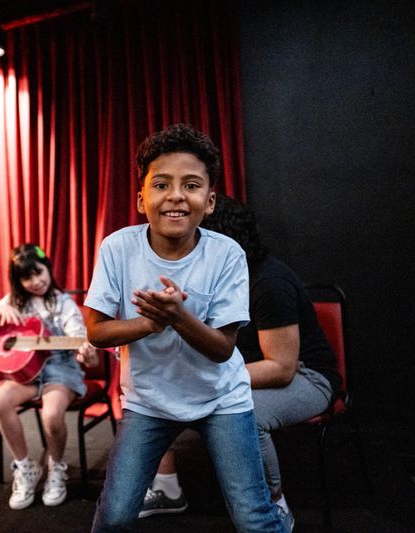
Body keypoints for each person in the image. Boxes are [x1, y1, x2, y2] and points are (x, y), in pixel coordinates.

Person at [86, 124, 290, 532]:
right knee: (113, 518)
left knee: (253, 518)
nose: (176, 195)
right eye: (161, 184)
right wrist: (149, 323)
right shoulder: (118, 247)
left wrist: (178, 318)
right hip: (148, 401)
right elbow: (96, 331)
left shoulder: (227, 254)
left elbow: (222, 349)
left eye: (191, 185)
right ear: (142, 199)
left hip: (221, 398)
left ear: (209, 201)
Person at [137, 194, 339, 529]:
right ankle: (168, 486)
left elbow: (281, 367)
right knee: (164, 385)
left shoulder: (268, 282)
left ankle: (272, 505)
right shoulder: (221, 279)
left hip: (308, 377)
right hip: (251, 370)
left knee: (244, 411)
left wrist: (209, 378)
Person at [0, 243, 98, 510]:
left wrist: (85, 351)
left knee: (51, 415)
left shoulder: (62, 303)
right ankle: (26, 467)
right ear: (18, 281)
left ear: (48, 269)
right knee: (0, 400)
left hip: (60, 369)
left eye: (39, 273)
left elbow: (79, 337)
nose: (35, 281)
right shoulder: (16, 301)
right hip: (27, 373)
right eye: (26, 277)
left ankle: (55, 466)